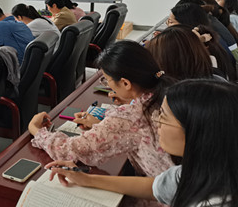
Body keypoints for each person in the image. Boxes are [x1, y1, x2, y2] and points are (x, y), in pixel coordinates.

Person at [46, 79, 238, 207]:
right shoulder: (201, 170)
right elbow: (157, 187)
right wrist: (88, 180)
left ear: (198, 131)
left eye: (163, 116)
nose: (156, 121)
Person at [29, 41, 174, 185]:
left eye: (107, 80)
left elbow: (69, 150)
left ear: (125, 83)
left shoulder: (130, 117)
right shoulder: (170, 93)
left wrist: (36, 130)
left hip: (161, 193)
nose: (108, 85)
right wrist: (103, 121)